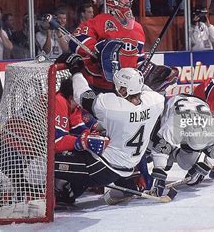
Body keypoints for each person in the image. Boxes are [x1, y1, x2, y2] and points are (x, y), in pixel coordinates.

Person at [54, 56, 165, 203]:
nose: (116, 88)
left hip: (100, 168)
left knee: (46, 163)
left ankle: (33, 196)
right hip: (127, 168)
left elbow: (82, 95)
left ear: (124, 89)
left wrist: (75, 70)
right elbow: (143, 90)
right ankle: (68, 193)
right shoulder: (156, 101)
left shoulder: (112, 107)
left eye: (119, 86)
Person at [70, 0, 146, 93]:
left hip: (130, 88)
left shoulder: (138, 28)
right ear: (112, 1)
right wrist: (95, 51)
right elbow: (77, 38)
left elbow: (139, 57)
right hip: (102, 85)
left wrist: (148, 70)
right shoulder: (101, 20)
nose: (127, 1)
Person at [148, 94, 214, 196]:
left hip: (198, 105)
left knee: (186, 163)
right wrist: (159, 172)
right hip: (174, 104)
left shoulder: (212, 130)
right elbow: (160, 147)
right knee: (150, 145)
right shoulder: (175, 124)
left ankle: (172, 155)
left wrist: (205, 166)